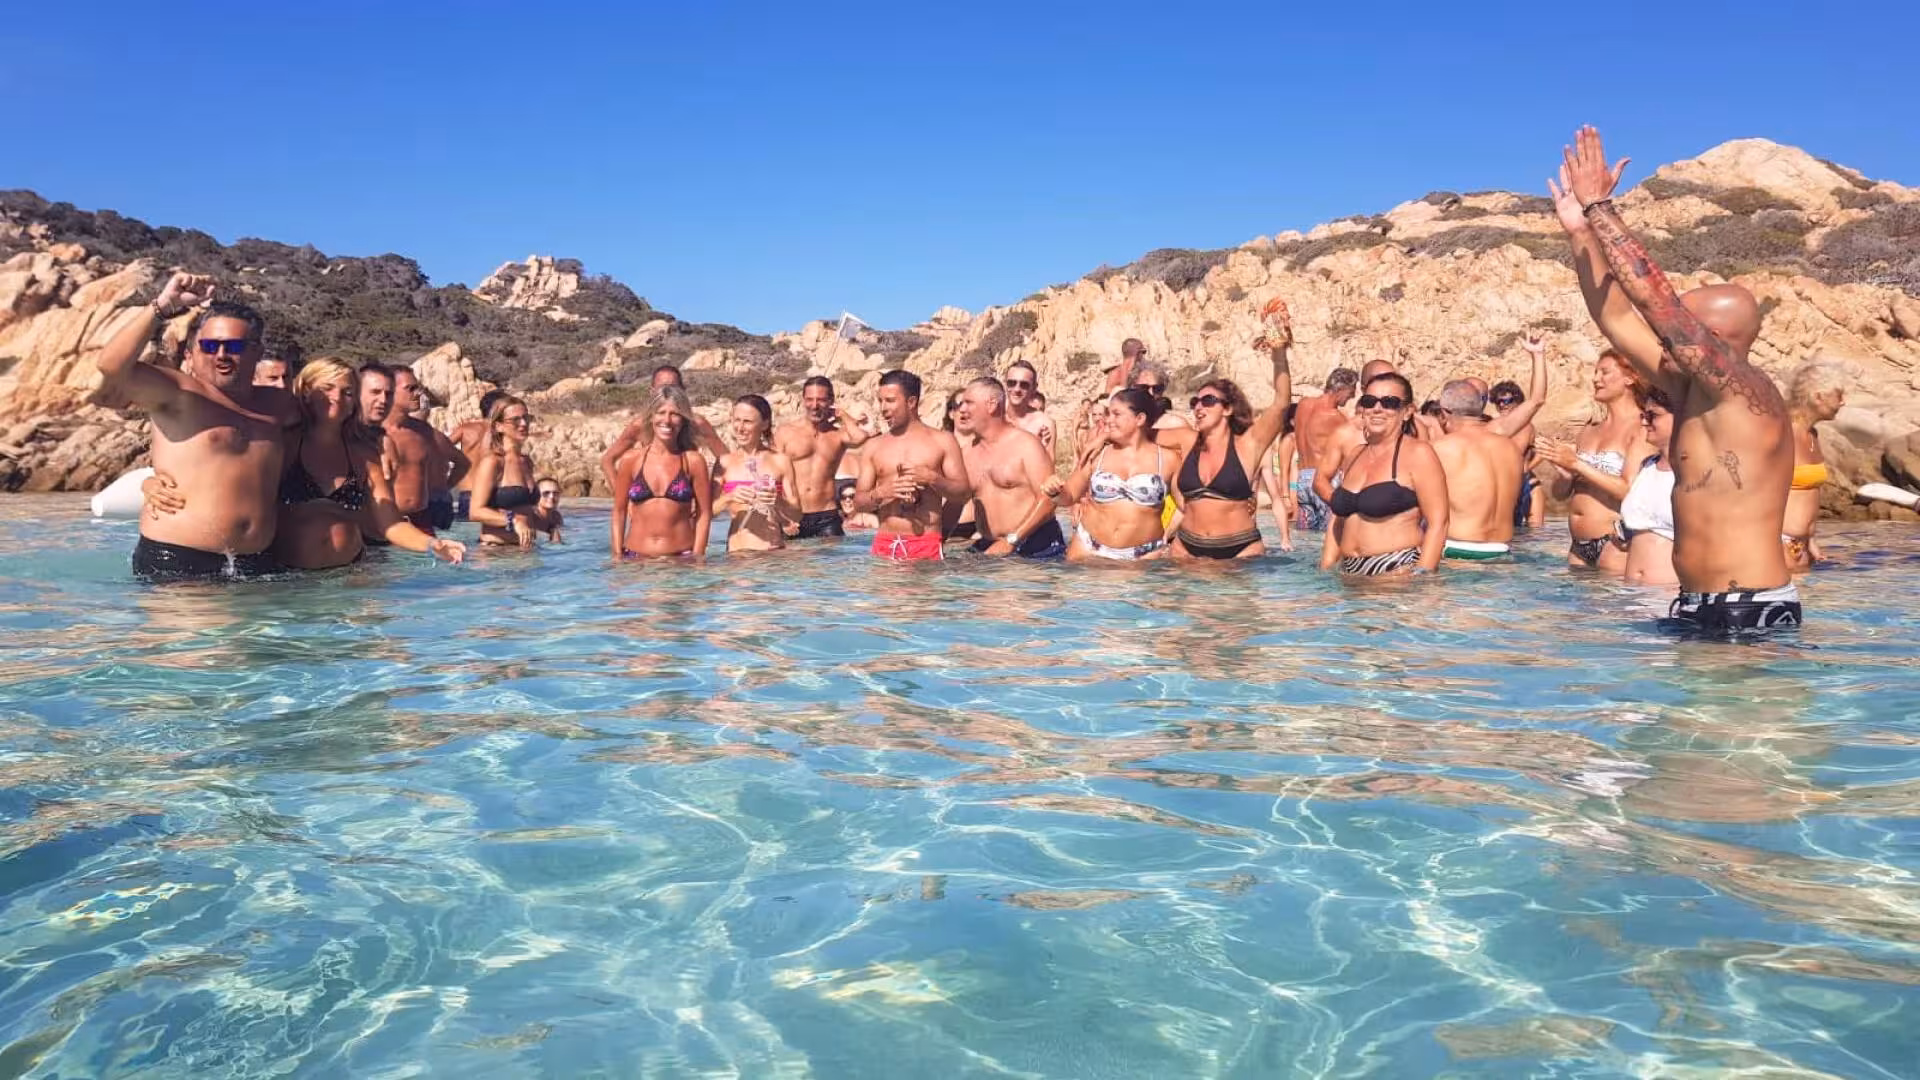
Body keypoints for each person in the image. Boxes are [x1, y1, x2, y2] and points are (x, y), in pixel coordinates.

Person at [1555, 124, 1798, 632]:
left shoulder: (1745, 393)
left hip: (1749, 606)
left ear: (1711, 338)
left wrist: (1601, 209)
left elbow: (1653, 302)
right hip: (1693, 603)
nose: (1662, 341)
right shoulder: (1689, 389)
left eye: (1676, 333)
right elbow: (1619, 319)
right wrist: (1580, 235)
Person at [93, 272, 299, 581]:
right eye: (209, 345)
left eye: (235, 346)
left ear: (257, 351)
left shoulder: (278, 404)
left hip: (258, 564)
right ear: (193, 351)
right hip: (180, 560)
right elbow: (111, 366)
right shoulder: (179, 392)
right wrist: (161, 307)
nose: (221, 355)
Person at [275, 358, 466, 568]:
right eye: (327, 388)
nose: (337, 398)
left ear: (354, 402)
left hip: (350, 573)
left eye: (347, 392)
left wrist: (432, 544)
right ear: (306, 392)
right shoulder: (285, 445)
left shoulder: (363, 455)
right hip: (291, 578)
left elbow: (391, 523)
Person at [1159, 302, 1295, 559]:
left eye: (1208, 401)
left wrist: (1278, 351)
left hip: (1240, 551)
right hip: (1186, 549)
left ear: (1228, 408)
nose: (1199, 407)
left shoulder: (1248, 444)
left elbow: (1281, 403)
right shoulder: (1187, 440)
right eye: (1194, 402)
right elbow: (1139, 434)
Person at [1533, 351, 1652, 573]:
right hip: (1577, 547)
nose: (1596, 379)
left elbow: (1630, 491)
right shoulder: (1589, 431)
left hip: (1615, 545)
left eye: (1604, 372)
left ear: (1630, 378)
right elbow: (1560, 495)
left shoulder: (1642, 428)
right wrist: (1566, 474)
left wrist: (1577, 464)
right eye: (1595, 372)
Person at [1321, 371, 1449, 576]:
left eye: (1389, 403)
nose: (1377, 409)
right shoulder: (1355, 454)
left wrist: (1423, 579)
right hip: (1349, 573)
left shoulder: (1418, 454)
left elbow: (1438, 523)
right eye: (1370, 401)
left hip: (1396, 570)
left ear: (1407, 412)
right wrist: (1326, 568)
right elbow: (1340, 518)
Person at [1045, 387, 1181, 561]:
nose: (1108, 420)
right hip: (1088, 549)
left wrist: (1169, 536)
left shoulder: (1168, 459)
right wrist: (1055, 491)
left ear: (1140, 419)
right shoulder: (1097, 454)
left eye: (1116, 414)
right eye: (1108, 413)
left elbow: (1186, 508)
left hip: (1143, 557)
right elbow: (1069, 496)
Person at [852, 370, 971, 561]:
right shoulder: (873, 446)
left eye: (890, 401)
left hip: (926, 543)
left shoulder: (943, 441)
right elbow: (858, 503)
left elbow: (963, 493)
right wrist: (881, 493)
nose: (883, 408)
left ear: (911, 402)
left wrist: (933, 478)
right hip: (885, 544)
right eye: (880, 401)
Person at [957, 377, 1065, 558]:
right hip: (990, 546)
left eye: (969, 403)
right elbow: (954, 505)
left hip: (1034, 545)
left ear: (991, 405)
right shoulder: (966, 454)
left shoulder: (1026, 445)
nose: (962, 409)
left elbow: (1048, 500)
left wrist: (1011, 540)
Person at [611, 385, 713, 557]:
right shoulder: (631, 460)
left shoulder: (693, 461)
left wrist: (698, 557)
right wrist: (617, 556)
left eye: (675, 414)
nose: (667, 420)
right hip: (635, 560)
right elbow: (619, 511)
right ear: (651, 416)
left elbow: (704, 513)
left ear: (683, 419)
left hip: (680, 560)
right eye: (660, 412)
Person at [771, 376, 872, 540]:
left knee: (834, 564)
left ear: (831, 401)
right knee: (791, 565)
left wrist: (842, 415)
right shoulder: (785, 432)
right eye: (810, 399)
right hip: (794, 515)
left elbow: (861, 437)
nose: (815, 406)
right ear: (803, 400)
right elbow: (773, 476)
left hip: (828, 516)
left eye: (821, 400)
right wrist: (782, 516)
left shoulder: (838, 435)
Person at [1430, 380, 1523, 559]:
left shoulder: (1439, 448)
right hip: (1502, 553)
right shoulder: (1510, 448)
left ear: (1444, 412)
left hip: (1456, 551)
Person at [599, 364, 727, 492]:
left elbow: (727, 460)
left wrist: (712, 497)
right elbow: (607, 461)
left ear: (683, 390)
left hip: (685, 501)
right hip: (648, 502)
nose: (668, 392)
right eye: (662, 387)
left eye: (673, 387)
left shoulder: (696, 424)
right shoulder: (640, 426)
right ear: (652, 392)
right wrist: (623, 501)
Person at [385, 365, 468, 534]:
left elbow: (463, 463)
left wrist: (444, 486)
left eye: (418, 388)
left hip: (421, 522)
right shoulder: (367, 433)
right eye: (410, 388)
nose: (418, 393)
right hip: (384, 523)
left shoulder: (426, 433)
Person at [715, 394, 801, 552]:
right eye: (736, 420)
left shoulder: (781, 461)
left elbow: (797, 515)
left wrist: (778, 501)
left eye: (747, 422)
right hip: (737, 556)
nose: (740, 428)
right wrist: (729, 497)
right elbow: (707, 513)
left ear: (764, 424)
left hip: (774, 554)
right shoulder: (724, 462)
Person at [1782, 359, 1846, 570]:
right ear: (1818, 396)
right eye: (1839, 395)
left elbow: (1807, 496)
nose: (1843, 402)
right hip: (1778, 546)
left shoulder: (1812, 435)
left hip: (1802, 548)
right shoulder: (1783, 434)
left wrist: (1811, 541)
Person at [466, 395, 547, 549]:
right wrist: (513, 520)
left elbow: (526, 510)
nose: (523, 424)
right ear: (499, 426)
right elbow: (475, 511)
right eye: (515, 420)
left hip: (524, 552)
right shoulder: (493, 462)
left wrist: (550, 526)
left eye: (526, 418)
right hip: (495, 553)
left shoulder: (526, 462)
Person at [1618, 385, 1678, 587]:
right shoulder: (1647, 466)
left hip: (1668, 596)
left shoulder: (1693, 475)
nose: (1644, 422)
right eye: (1643, 415)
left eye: (1653, 416)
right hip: (1631, 594)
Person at [1291, 368, 1359, 532]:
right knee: (1328, 534)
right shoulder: (1337, 419)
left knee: (1305, 536)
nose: (1352, 396)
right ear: (1341, 389)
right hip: (1322, 481)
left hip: (1303, 479)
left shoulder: (1303, 404)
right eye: (1351, 391)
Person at [450, 388, 505, 521]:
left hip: (467, 494)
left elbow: (439, 449)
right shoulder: (502, 432)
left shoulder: (465, 429)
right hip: (492, 494)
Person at [938, 387, 980, 542]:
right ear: (951, 413)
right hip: (942, 529)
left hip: (977, 530)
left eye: (969, 405)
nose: (963, 410)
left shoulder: (987, 449)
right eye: (958, 405)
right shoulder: (938, 447)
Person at [1003, 360, 1055, 458]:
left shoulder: (1044, 424)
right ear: (1005, 384)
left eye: (1024, 385)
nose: (1017, 389)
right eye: (1011, 383)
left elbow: (1050, 470)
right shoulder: (992, 416)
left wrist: (1039, 448)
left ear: (1034, 388)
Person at [534, 476, 566, 542]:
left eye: (555, 493)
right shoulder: (531, 516)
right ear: (536, 495)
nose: (552, 496)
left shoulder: (556, 516)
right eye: (546, 493)